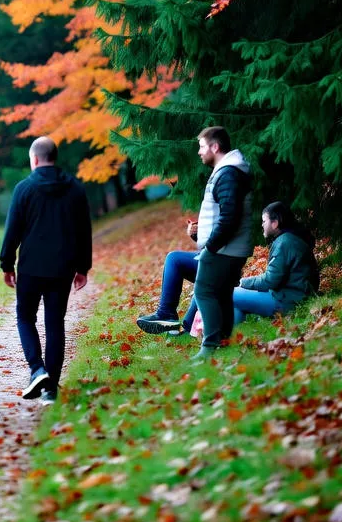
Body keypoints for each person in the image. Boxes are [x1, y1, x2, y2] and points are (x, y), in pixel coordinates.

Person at [0, 136, 92, 404]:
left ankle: (37, 369)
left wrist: (7, 264)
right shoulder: (75, 188)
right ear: (54, 157)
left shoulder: (24, 189)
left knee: (25, 318)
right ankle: (50, 389)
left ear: (35, 159)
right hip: (62, 268)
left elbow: (13, 230)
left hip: (31, 266)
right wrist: (83, 267)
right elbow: (84, 230)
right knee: (55, 324)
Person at [192, 126, 253, 357]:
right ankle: (223, 342)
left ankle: (209, 346)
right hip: (229, 248)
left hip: (224, 249)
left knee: (204, 292)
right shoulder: (229, 171)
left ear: (215, 147)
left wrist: (210, 247)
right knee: (223, 294)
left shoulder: (228, 173)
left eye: (202, 147)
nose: (199, 152)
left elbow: (229, 217)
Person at [233, 201, 320, 324]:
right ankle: (235, 334)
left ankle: (231, 333)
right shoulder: (292, 238)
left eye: (264, 221)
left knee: (230, 294)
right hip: (295, 297)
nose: (262, 225)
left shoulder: (284, 243)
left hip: (288, 302)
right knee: (236, 304)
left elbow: (270, 280)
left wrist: (243, 282)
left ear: (275, 223)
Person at [136, 216, 200, 337]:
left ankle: (166, 314)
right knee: (186, 330)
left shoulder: (227, 204)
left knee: (174, 259)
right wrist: (198, 231)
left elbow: (224, 229)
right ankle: (176, 324)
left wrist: (201, 232)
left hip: (221, 260)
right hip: (220, 257)